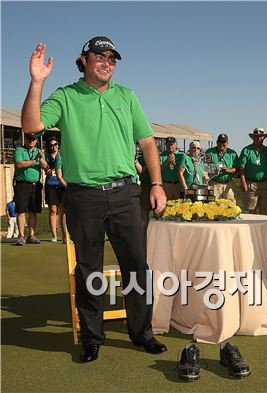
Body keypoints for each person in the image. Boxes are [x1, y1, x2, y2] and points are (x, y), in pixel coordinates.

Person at [21, 37, 167, 362]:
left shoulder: (127, 97)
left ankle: (142, 333)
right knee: (89, 270)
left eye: (111, 58)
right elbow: (32, 126)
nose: (106, 63)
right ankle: (92, 337)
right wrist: (36, 82)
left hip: (126, 193)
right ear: (84, 60)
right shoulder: (66, 96)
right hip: (84, 197)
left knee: (137, 268)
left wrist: (155, 183)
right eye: (99, 57)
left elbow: (147, 143)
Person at [13, 133, 47, 246]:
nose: (31, 141)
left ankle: (31, 235)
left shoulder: (39, 152)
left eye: (34, 139)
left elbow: (46, 167)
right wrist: (34, 160)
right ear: (26, 139)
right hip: (22, 184)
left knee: (33, 210)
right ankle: (21, 236)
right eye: (29, 138)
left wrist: (40, 159)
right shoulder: (19, 150)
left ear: (37, 141)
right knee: (21, 210)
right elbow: (19, 164)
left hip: (35, 185)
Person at [239, 128, 267, 214]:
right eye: (256, 136)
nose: (258, 138)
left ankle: (262, 227)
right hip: (251, 183)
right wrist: (243, 182)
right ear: (252, 138)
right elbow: (241, 167)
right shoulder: (246, 150)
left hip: (265, 183)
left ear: (263, 138)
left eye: (260, 136)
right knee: (252, 209)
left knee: (264, 209)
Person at [205, 133, 238, 202]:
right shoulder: (209, 152)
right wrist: (215, 169)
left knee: (230, 207)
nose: (221, 144)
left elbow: (237, 169)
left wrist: (229, 170)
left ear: (227, 143)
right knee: (212, 207)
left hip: (228, 184)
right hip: (214, 184)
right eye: (219, 142)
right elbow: (205, 167)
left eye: (224, 142)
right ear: (217, 142)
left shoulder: (233, 153)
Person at [44, 136, 65, 242]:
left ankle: (65, 235)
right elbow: (46, 169)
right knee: (52, 211)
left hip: (62, 185)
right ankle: (54, 235)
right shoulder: (46, 156)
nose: (54, 147)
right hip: (51, 184)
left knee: (63, 211)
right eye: (51, 145)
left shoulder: (63, 154)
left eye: (56, 144)